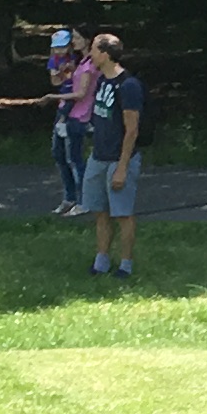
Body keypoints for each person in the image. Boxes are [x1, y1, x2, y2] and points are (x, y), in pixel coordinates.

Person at [83, 34, 147, 276]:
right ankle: (101, 261)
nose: (90, 54)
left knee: (123, 214)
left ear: (105, 54)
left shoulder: (128, 86)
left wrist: (122, 167)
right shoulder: (101, 81)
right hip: (98, 157)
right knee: (100, 212)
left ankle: (125, 264)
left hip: (120, 159)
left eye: (93, 50)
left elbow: (132, 130)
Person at [48, 28, 97, 215]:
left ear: (87, 39)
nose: (73, 41)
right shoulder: (79, 61)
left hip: (78, 116)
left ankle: (84, 201)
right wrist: (60, 73)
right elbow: (61, 81)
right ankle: (69, 198)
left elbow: (81, 93)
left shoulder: (90, 63)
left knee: (74, 159)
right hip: (64, 110)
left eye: (76, 37)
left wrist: (52, 97)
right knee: (59, 155)